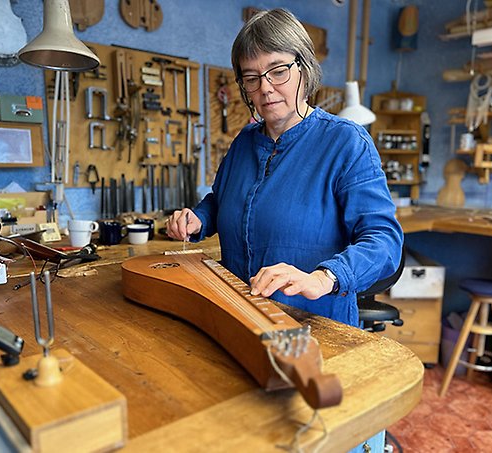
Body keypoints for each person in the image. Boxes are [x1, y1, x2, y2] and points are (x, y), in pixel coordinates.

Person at [166, 8, 403, 327]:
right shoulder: (245, 141)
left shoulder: (346, 143)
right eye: (251, 78)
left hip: (315, 325)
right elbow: (221, 200)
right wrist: (199, 219)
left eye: (278, 71)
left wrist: (323, 278)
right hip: (240, 314)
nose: (265, 88)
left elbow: (384, 240)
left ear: (304, 68)